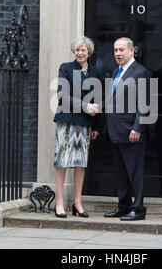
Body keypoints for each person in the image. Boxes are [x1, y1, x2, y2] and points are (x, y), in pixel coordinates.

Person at [103, 37, 151, 221]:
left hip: (131, 131)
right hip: (115, 131)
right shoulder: (117, 71)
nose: (118, 53)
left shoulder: (140, 72)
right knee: (121, 172)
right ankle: (123, 205)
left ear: (131, 51)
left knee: (135, 172)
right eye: (115, 50)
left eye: (122, 50)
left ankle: (138, 208)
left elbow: (145, 103)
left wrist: (138, 127)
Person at [53, 36, 100, 218]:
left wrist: (96, 125)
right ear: (74, 52)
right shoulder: (65, 68)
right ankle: (59, 202)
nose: (80, 53)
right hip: (66, 121)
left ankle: (78, 203)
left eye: (83, 50)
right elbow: (62, 96)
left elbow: (97, 99)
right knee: (62, 162)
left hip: (86, 124)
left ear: (89, 52)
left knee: (80, 164)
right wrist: (85, 106)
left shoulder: (95, 72)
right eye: (77, 50)